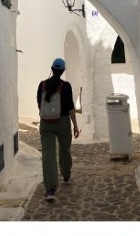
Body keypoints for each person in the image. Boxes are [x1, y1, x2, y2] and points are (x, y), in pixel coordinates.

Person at [36, 57, 80, 202]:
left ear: (52, 69)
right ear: (62, 71)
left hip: (45, 123)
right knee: (65, 149)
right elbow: (71, 108)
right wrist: (75, 125)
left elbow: (39, 104)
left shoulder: (42, 85)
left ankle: (50, 189)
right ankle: (66, 174)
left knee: (48, 154)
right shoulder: (66, 86)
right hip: (63, 122)